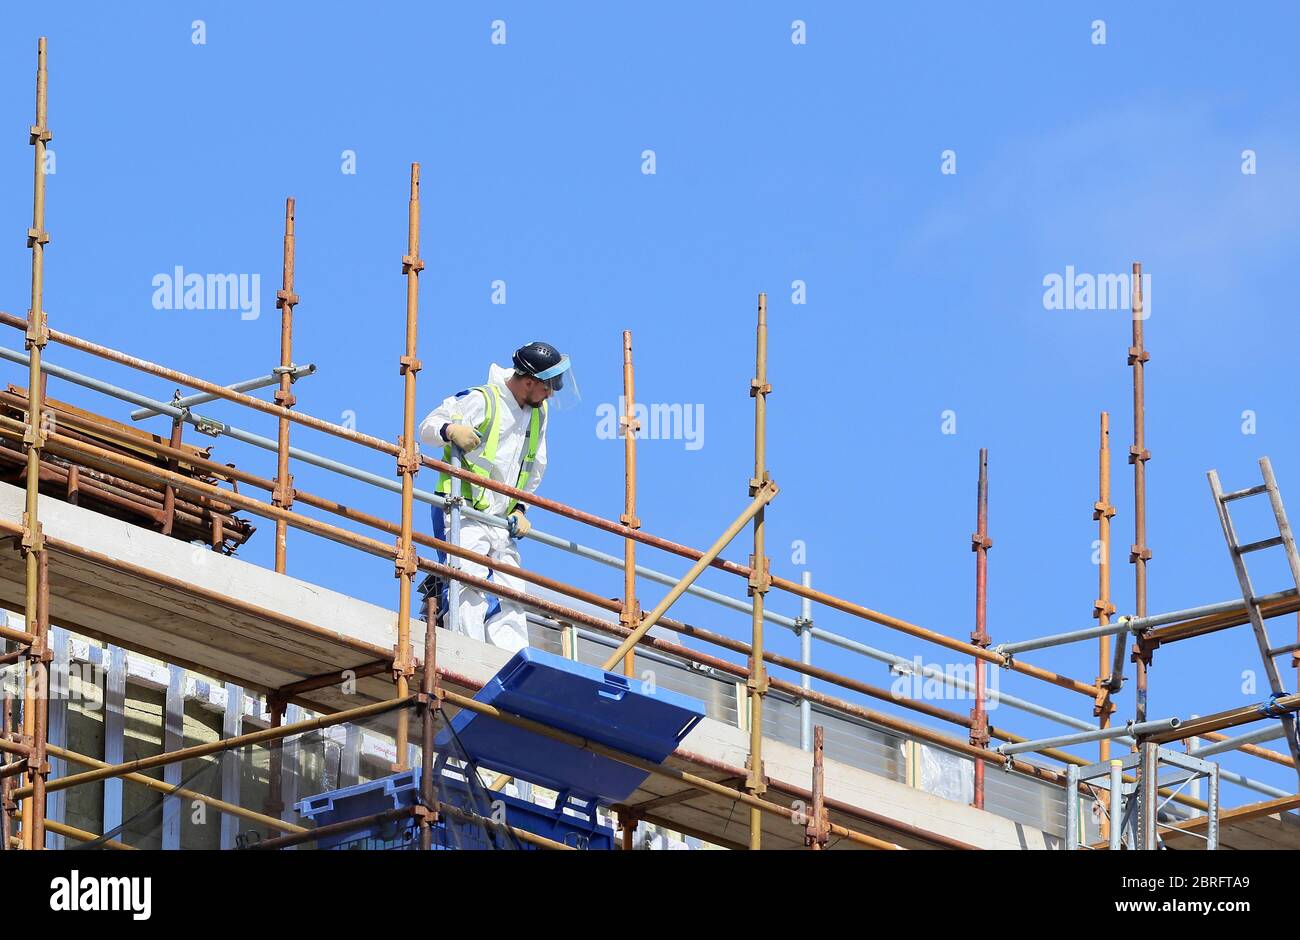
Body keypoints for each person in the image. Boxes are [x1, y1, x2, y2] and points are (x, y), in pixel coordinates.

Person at [417, 342, 576, 653]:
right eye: (549, 386)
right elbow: (427, 426)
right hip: (459, 507)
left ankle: (509, 657)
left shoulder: (536, 414)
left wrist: (520, 507)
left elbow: (533, 466)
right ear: (529, 382)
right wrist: (450, 430)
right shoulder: (482, 399)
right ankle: (468, 651)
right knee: (468, 580)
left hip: (499, 517)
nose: (552, 394)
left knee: (511, 588)